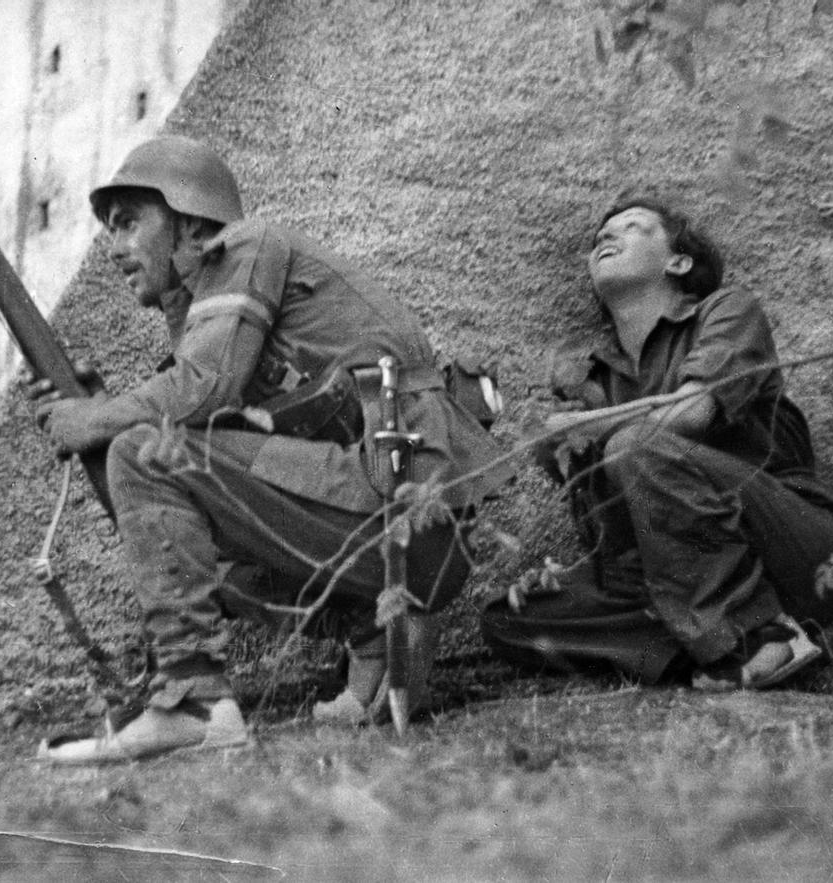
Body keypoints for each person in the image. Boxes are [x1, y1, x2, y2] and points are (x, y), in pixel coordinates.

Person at [32, 135, 512, 763]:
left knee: (146, 455)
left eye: (128, 222)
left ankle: (195, 703)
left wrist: (99, 420)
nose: (114, 248)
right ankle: (374, 639)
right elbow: (195, 462)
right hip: (397, 531)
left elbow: (200, 389)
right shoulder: (213, 316)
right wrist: (104, 417)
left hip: (401, 504)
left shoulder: (248, 244)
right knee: (165, 509)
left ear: (189, 217)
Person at [480, 187, 833, 690]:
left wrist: (584, 428)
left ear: (679, 261)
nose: (606, 237)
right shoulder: (594, 379)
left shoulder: (727, 310)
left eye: (632, 227)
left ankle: (765, 636)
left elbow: (692, 411)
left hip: (794, 551)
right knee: (508, 619)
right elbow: (618, 538)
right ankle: (715, 647)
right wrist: (577, 576)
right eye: (601, 236)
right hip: (677, 581)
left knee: (638, 443)